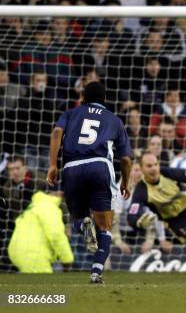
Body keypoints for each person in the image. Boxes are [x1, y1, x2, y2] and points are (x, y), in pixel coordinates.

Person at [46, 81, 133, 284]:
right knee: (105, 227)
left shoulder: (70, 113)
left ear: (83, 97)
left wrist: (52, 165)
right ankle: (96, 272)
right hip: (100, 167)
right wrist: (125, 183)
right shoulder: (115, 120)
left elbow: (57, 133)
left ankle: (83, 223)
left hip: (72, 167)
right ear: (105, 99)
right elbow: (127, 159)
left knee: (78, 217)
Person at [8, 191, 74, 273]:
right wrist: (67, 259)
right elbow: (56, 235)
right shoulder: (49, 207)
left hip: (18, 251)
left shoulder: (35, 204)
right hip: (33, 255)